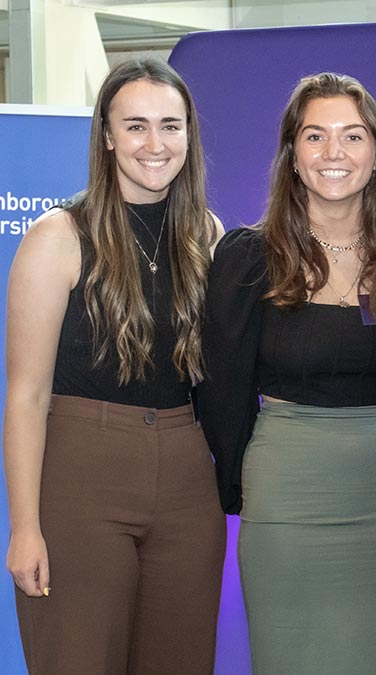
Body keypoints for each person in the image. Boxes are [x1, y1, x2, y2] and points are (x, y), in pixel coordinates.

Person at [197, 72, 376, 673]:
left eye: (352, 137)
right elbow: (222, 390)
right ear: (292, 157)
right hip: (287, 499)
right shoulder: (248, 256)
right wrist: (238, 487)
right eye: (315, 137)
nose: (334, 154)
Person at [3, 58, 225, 673]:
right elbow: (25, 396)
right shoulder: (58, 236)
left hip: (186, 484)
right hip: (81, 481)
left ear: (189, 135)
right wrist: (24, 528)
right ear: (105, 134)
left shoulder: (206, 236)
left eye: (170, 126)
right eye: (135, 126)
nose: (155, 144)